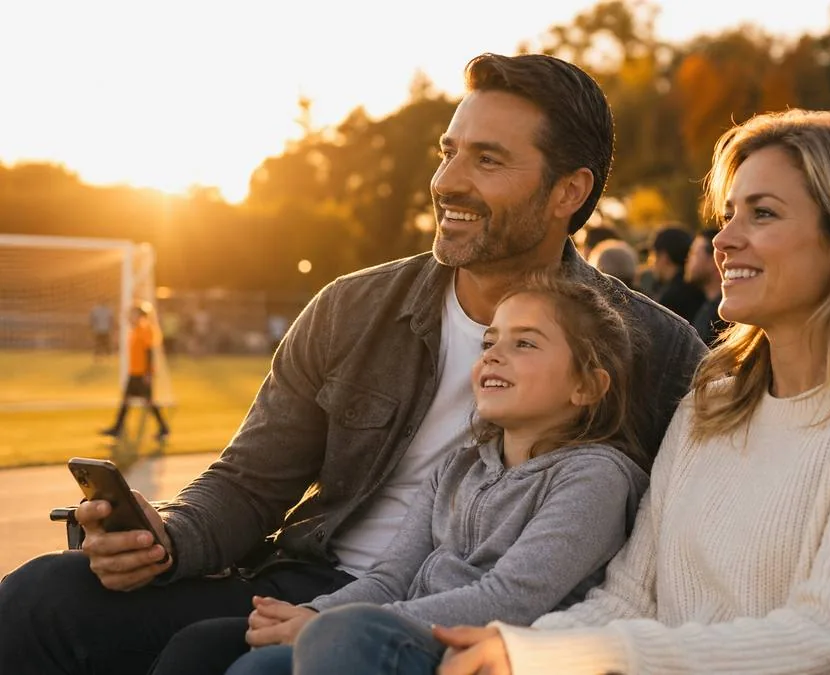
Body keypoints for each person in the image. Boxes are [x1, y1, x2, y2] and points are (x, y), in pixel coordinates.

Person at [0, 53, 705, 675]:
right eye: (448, 151)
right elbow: (248, 481)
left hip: (475, 614)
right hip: (317, 577)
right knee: (40, 598)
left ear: (568, 193)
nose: (447, 181)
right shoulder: (352, 307)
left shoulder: (657, 350)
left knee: (211, 654)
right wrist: (167, 534)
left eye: (487, 160)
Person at [427, 109, 830, 674]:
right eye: (727, 215)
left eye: (763, 214)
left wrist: (582, 653)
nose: (724, 240)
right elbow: (628, 597)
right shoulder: (711, 403)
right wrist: (511, 649)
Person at [223, 274, 649, 675]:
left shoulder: (593, 478)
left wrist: (333, 627)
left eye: (525, 344)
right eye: (489, 342)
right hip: (402, 635)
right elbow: (391, 579)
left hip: (477, 655)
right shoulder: (459, 465)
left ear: (587, 387)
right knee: (254, 664)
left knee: (339, 640)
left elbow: (508, 600)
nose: (494, 355)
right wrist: (315, 613)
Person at [99, 303, 170, 442]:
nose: (130, 317)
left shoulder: (145, 329)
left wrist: (148, 374)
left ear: (140, 315)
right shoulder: (135, 329)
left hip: (142, 373)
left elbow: (149, 352)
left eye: (133, 314)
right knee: (126, 401)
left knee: (148, 402)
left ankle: (164, 428)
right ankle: (117, 428)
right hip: (134, 372)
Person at [647, 225, 706, 321]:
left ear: (664, 257)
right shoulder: (699, 286)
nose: (650, 263)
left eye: (652, 256)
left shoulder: (669, 298)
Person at [685, 228, 729, 346]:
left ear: (715, 258)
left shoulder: (725, 317)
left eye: (693, 253)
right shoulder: (706, 306)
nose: (688, 259)